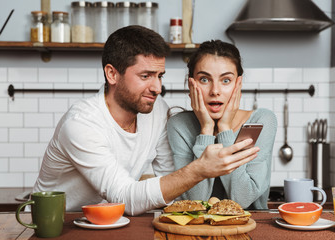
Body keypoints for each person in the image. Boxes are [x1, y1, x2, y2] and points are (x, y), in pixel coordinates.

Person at [32, 26, 260, 216]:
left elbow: (173, 184)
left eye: (159, 76)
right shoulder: (81, 124)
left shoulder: (158, 111)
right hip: (60, 224)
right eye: (145, 76)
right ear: (112, 74)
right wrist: (199, 169)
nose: (157, 88)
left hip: (114, 222)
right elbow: (125, 197)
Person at [167, 40, 277, 209]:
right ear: (191, 84)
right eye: (204, 79)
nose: (215, 91)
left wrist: (225, 129)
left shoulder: (260, 121)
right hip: (197, 229)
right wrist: (206, 131)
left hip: (250, 228)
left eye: (226, 80)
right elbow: (194, 202)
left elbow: (243, 199)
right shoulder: (179, 125)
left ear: (238, 85)